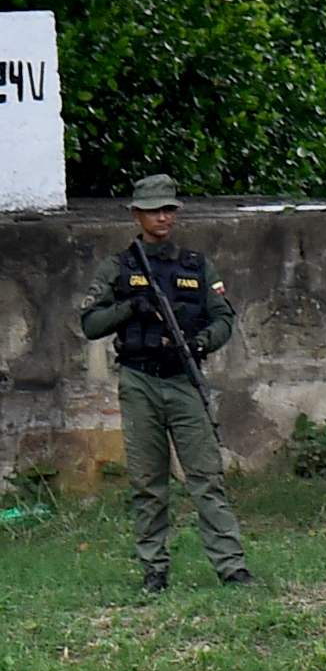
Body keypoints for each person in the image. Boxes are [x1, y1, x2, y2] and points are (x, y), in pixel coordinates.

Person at [76, 175, 252, 595]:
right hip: (140, 382)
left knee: (206, 478)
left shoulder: (196, 265)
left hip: (183, 380)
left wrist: (199, 342)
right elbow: (90, 324)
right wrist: (130, 307)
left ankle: (232, 567)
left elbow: (224, 318)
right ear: (137, 214)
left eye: (169, 209)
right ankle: (154, 569)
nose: (163, 217)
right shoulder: (118, 267)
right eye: (154, 210)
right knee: (147, 482)